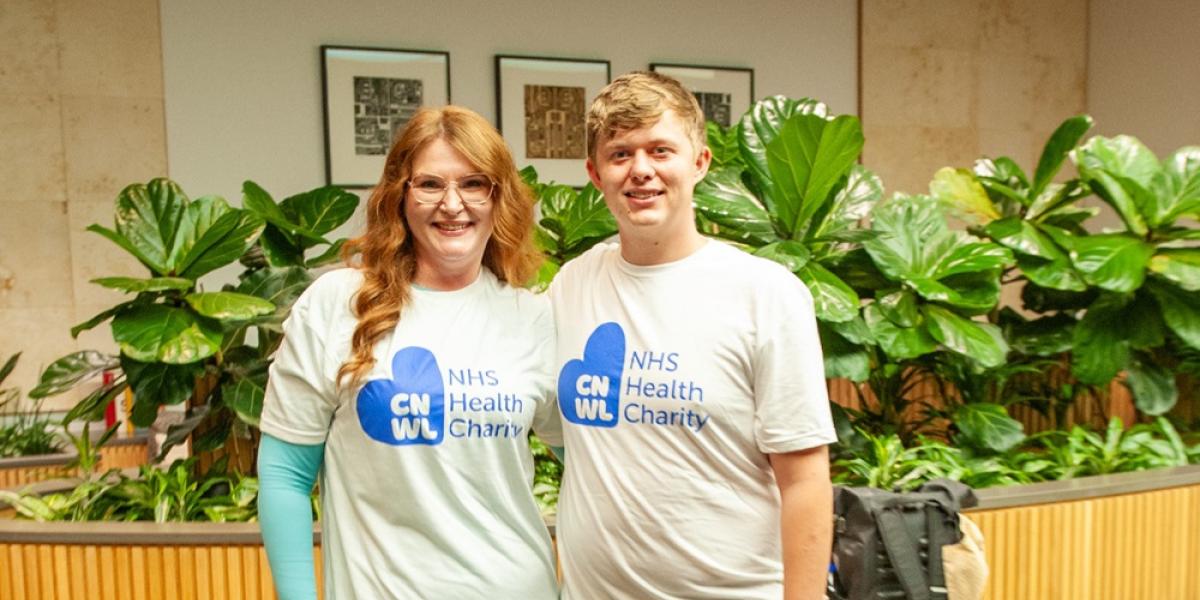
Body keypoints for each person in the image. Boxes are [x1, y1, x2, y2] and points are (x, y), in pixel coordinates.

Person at [548, 71, 837, 599]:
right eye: (620, 154)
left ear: (699, 162)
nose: (641, 171)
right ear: (594, 173)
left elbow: (805, 481)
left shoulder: (766, 293)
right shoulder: (572, 285)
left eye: (661, 151)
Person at [257, 106, 562, 600]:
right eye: (429, 185)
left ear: (498, 197)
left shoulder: (534, 319)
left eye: (474, 184)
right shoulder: (338, 304)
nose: (452, 204)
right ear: (399, 196)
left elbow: (592, 465)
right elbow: (285, 477)